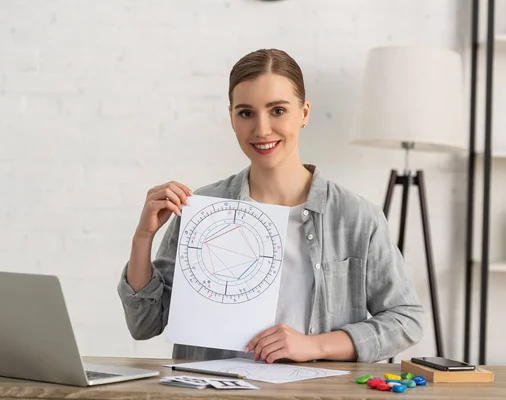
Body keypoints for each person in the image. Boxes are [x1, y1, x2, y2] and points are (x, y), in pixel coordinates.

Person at [118, 48, 424, 364]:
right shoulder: (203, 210)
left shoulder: (357, 217)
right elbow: (145, 324)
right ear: (232, 118)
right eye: (246, 113)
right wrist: (143, 237)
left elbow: (406, 320)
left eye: (277, 110)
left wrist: (316, 345)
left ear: (304, 113)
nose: (262, 129)